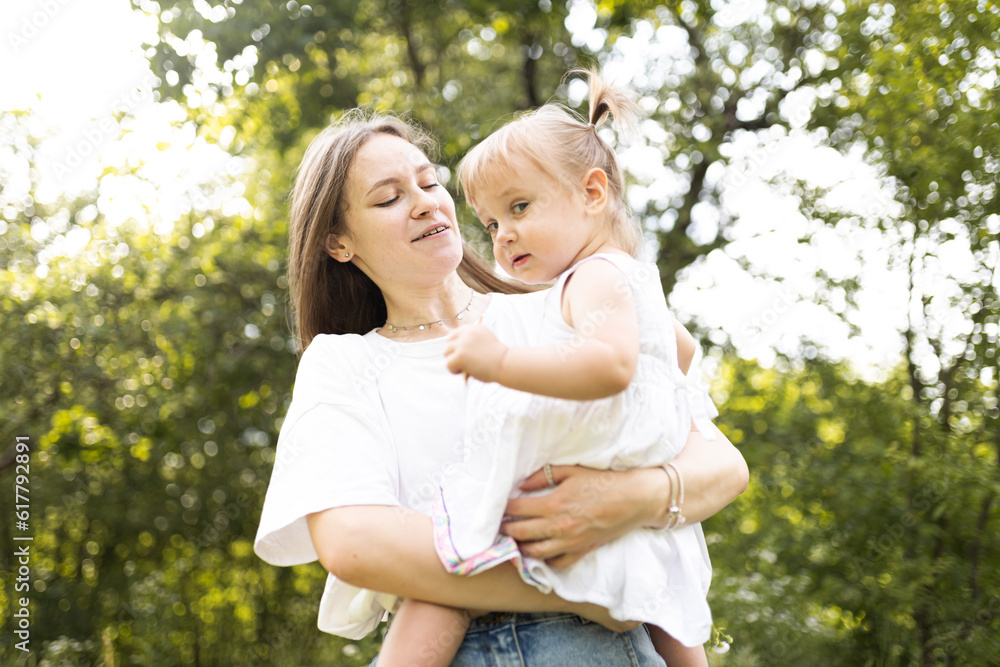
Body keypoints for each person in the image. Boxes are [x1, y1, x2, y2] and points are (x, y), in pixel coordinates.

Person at [253, 103, 749, 666]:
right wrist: (592, 590)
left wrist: (629, 501)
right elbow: (356, 543)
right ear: (339, 243)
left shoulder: (566, 301)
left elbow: (720, 462)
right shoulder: (342, 362)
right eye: (389, 198)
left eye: (429, 181)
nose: (422, 203)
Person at [373, 71, 716, 667]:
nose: (504, 236)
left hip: (584, 475)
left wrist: (502, 363)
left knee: (443, 573)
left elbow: (609, 366)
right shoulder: (617, 279)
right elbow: (678, 354)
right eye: (494, 224)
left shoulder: (595, 276)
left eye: (521, 208)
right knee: (665, 601)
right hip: (622, 482)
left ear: (592, 193)